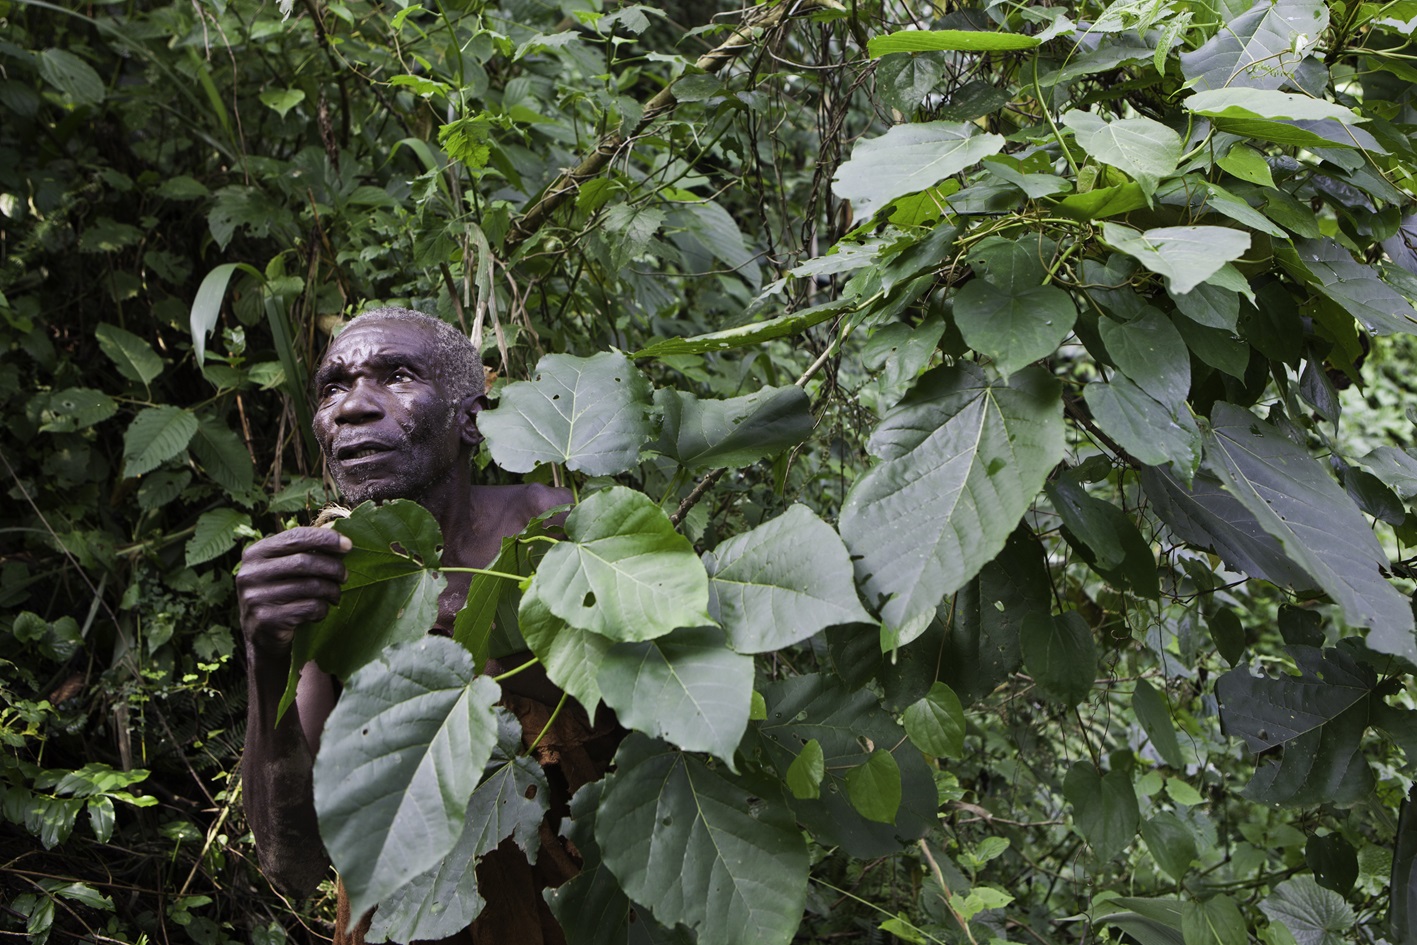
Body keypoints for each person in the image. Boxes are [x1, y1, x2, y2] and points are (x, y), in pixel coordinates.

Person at [237, 307, 607, 945]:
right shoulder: (327, 572)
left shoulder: (550, 529)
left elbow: (642, 742)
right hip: (400, 925)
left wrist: (468, 666)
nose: (352, 407)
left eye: (398, 376)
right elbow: (292, 862)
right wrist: (266, 658)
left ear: (470, 419)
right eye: (332, 387)